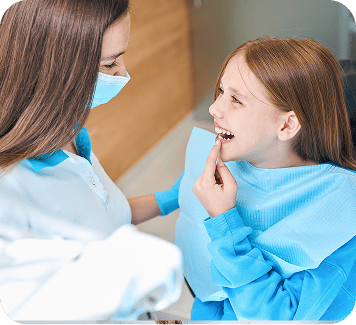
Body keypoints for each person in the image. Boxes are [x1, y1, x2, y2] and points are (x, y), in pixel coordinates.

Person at [0, 0, 182, 320]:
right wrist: (132, 276)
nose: (124, 73)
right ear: (56, 72)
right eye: (109, 63)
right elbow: (35, 304)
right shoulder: (10, 188)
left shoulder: (69, 134)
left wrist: (169, 198)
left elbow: (103, 218)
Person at [174, 38, 356, 321]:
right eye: (221, 91)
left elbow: (275, 316)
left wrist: (224, 222)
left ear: (286, 125)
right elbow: (181, 191)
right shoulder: (235, 157)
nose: (214, 109)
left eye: (236, 99)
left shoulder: (343, 212)